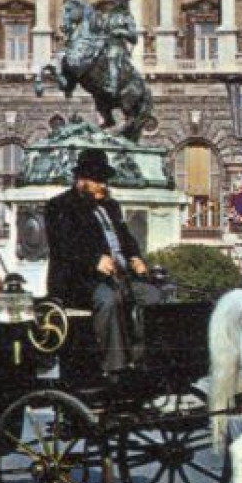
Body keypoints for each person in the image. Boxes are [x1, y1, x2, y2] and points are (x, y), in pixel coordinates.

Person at [44, 149, 149, 376]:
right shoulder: (59, 206)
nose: (103, 185)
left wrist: (136, 257)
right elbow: (62, 246)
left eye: (104, 180)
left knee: (153, 296)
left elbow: (126, 238)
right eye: (97, 180)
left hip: (120, 277)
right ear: (81, 181)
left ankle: (142, 358)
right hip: (79, 281)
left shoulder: (111, 207)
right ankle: (115, 365)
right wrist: (93, 260)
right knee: (108, 300)